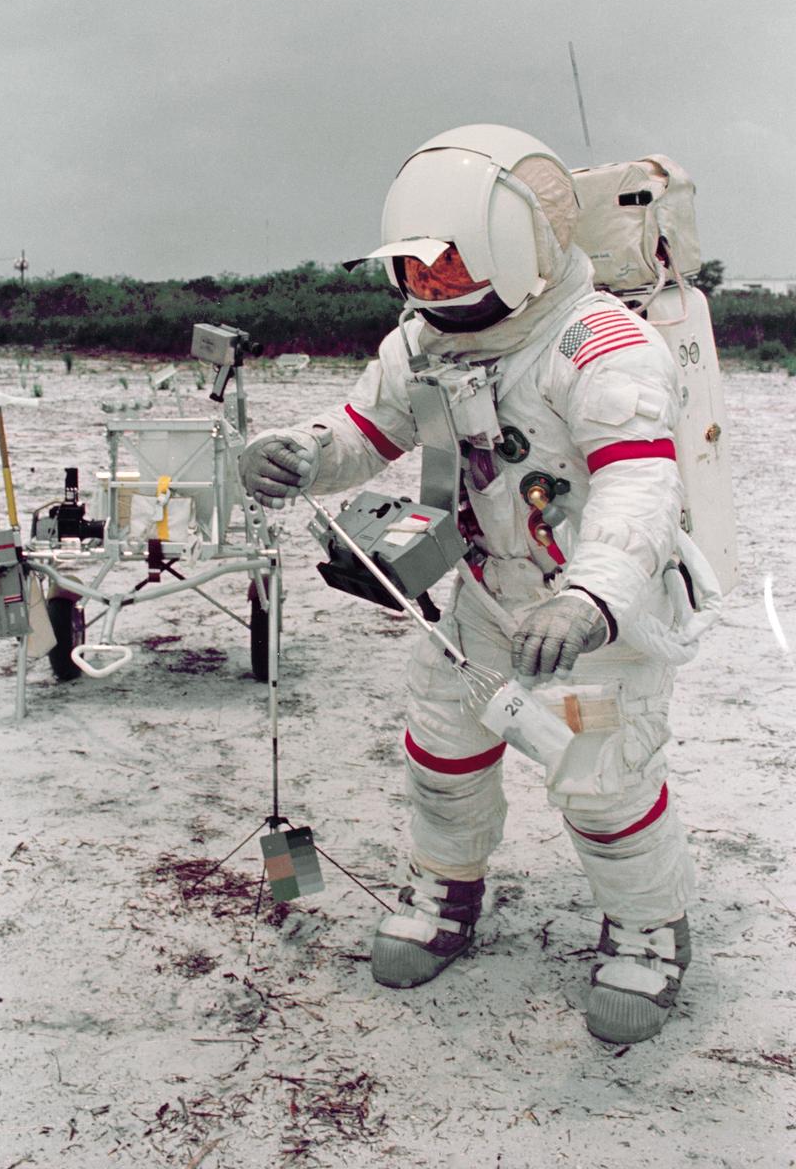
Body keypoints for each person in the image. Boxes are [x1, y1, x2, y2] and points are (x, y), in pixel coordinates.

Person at [240, 124, 699, 1044]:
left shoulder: (602, 346)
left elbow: (639, 485)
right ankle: (446, 889)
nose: (429, 292)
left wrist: (591, 598)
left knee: (600, 779)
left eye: (448, 271)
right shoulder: (419, 347)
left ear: (515, 257)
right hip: (483, 598)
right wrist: (302, 454)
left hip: (596, 615)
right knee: (442, 754)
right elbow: (364, 430)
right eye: (413, 273)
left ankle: (649, 927)